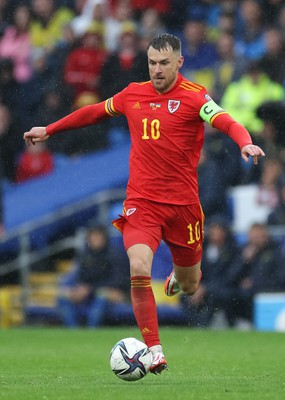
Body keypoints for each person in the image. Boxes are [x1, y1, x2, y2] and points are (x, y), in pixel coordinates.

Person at [23, 33, 265, 374]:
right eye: (152, 62)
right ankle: (155, 349)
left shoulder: (195, 97)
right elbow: (93, 112)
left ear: (179, 63)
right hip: (142, 203)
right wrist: (50, 129)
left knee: (192, 283)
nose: (157, 69)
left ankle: (180, 280)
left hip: (183, 208)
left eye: (164, 63)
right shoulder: (132, 94)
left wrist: (245, 142)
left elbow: (225, 120)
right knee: (139, 266)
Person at [57, 224, 129, 328]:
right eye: (93, 236)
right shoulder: (84, 254)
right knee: (62, 295)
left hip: (109, 292)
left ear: (104, 238)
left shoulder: (115, 254)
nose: (96, 239)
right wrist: (78, 289)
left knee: (101, 295)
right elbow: (80, 276)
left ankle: (92, 329)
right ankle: (72, 330)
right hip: (88, 292)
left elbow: (119, 279)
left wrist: (91, 288)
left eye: (98, 236)